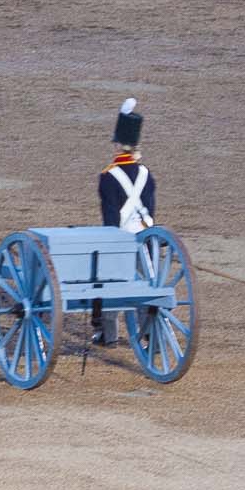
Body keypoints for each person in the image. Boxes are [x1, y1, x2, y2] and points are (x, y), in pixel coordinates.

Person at [93, 99, 156, 345]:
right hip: (147, 239)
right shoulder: (146, 174)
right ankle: (149, 333)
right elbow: (151, 210)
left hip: (120, 242)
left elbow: (110, 218)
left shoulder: (108, 176)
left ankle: (107, 334)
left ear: (119, 146)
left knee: (105, 282)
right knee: (144, 286)